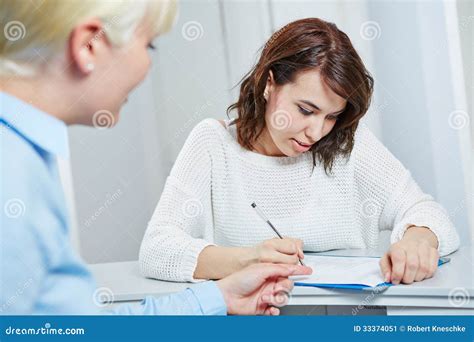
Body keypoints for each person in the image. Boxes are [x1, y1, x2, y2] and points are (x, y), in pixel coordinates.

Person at [0, 0, 311, 315]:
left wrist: (219, 298)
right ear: (88, 45)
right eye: (148, 44)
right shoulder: (11, 173)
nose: (148, 64)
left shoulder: (25, 157)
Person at [139, 17, 460, 285]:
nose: (317, 132)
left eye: (332, 116)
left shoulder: (350, 144)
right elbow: (157, 249)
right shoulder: (213, 144)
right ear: (269, 83)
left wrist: (419, 239)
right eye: (306, 110)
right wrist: (246, 260)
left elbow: (429, 214)